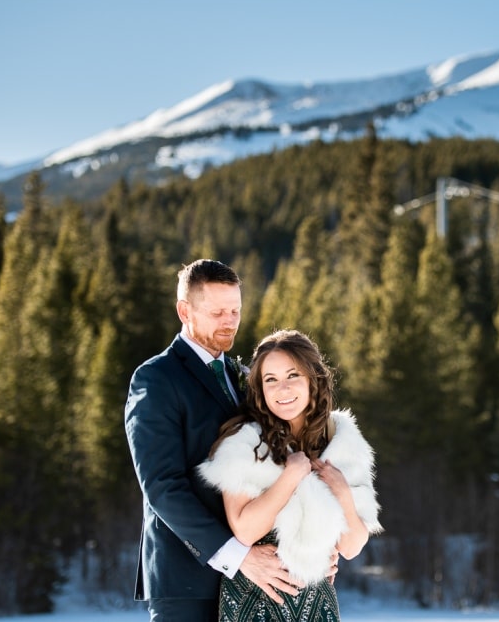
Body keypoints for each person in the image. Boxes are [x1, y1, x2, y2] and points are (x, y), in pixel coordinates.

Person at [125, 259, 306, 622]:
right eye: (218, 311)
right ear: (184, 310)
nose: (230, 321)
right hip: (188, 581)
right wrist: (238, 556)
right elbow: (162, 486)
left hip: (259, 584)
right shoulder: (156, 379)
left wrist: (313, 543)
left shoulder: (245, 377)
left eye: (235, 310)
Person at [198, 329, 382, 622]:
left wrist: (343, 493)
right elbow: (245, 530)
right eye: (271, 380)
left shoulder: (341, 441)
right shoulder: (244, 443)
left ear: (313, 379)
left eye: (292, 375)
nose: (282, 389)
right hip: (254, 599)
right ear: (260, 389)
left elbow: (350, 548)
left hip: (316, 604)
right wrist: (291, 476)